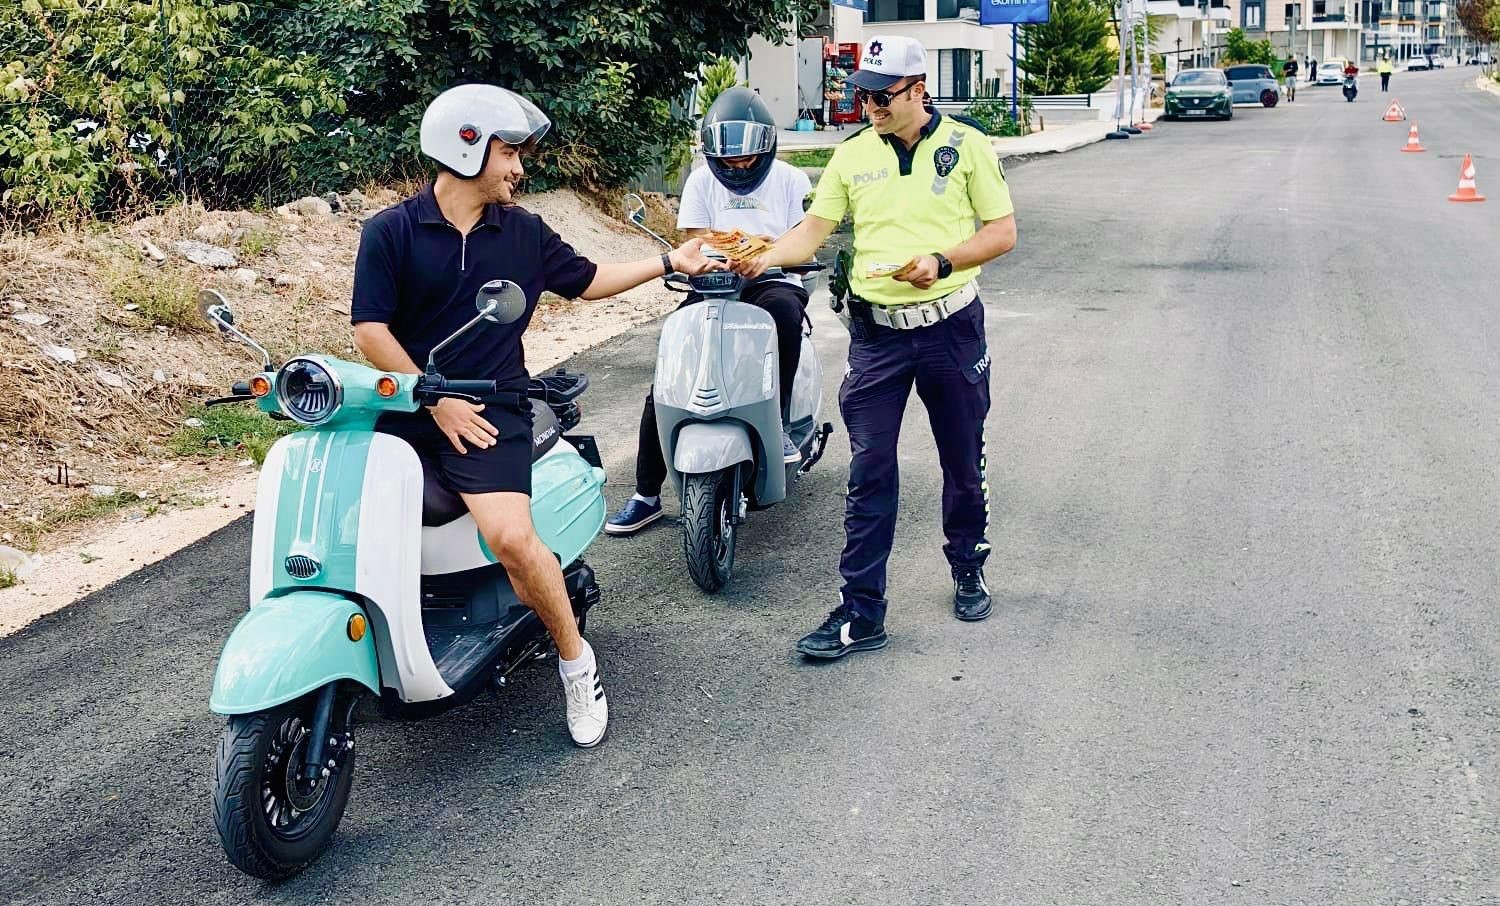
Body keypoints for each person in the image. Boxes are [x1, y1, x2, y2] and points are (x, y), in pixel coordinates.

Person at [350, 84, 721, 746]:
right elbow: (370, 333)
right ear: (466, 146)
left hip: (494, 406)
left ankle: (577, 665)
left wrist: (669, 260)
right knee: (352, 523)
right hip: (411, 403)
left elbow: (586, 279)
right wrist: (432, 398)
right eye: (510, 152)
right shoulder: (391, 232)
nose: (520, 167)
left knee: (514, 540)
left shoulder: (520, 231)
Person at [730, 35, 1018, 658]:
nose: (868, 106)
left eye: (881, 95)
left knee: (963, 460)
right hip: (877, 337)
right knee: (870, 473)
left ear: (920, 89)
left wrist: (942, 261)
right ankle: (862, 612)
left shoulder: (968, 146)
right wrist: (760, 258)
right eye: (861, 93)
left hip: (950, 328)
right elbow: (809, 235)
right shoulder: (852, 155)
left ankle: (968, 563)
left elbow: (1001, 232)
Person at [605, 88, 814, 536]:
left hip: (775, 278)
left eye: (747, 159)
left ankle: (774, 424)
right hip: (714, 281)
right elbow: (698, 240)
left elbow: (802, 240)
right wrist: (719, 260)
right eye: (728, 161)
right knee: (673, 366)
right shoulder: (701, 180)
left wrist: (767, 256)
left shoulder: (792, 180)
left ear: (767, 148)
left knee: (784, 316)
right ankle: (646, 493)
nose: (737, 167)